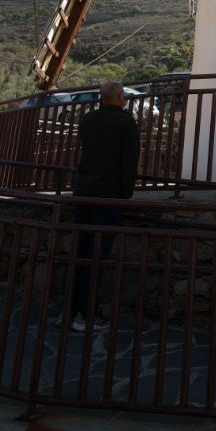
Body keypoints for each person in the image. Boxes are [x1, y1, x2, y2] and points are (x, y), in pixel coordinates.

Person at [68, 81, 140, 331]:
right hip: (107, 197)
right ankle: (86, 315)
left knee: (80, 253)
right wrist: (125, 194)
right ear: (121, 98)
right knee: (96, 257)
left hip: (83, 192)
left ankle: (70, 309)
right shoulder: (126, 123)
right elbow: (129, 162)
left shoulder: (87, 121)